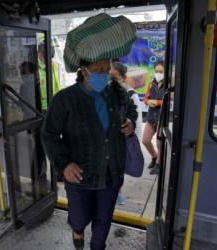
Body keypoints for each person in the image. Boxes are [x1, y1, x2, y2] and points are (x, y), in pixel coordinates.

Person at [42, 13, 137, 250]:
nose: (105, 73)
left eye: (107, 67)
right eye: (98, 68)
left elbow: (132, 108)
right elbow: (49, 135)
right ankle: (77, 233)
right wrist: (64, 164)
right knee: (79, 218)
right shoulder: (64, 100)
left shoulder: (117, 93)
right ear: (84, 70)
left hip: (111, 174)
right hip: (81, 177)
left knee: (103, 221)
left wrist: (130, 122)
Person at [110, 61, 143, 205]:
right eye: (108, 77)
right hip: (112, 139)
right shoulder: (106, 92)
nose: (111, 81)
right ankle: (116, 192)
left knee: (120, 168)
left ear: (123, 78)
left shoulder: (130, 95)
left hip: (125, 138)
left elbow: (137, 122)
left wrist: (134, 141)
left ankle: (119, 193)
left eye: (115, 77)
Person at [142, 61, 165, 175]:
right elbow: (145, 99)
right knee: (145, 140)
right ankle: (154, 156)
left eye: (161, 71)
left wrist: (156, 102)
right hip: (151, 116)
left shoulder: (169, 85)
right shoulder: (151, 84)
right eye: (156, 71)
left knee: (159, 143)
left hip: (162, 117)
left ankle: (158, 164)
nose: (158, 73)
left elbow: (169, 101)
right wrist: (147, 101)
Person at [37, 42, 61, 111]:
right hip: (41, 108)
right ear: (39, 54)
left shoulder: (55, 66)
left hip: (54, 105)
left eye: (51, 57)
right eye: (44, 56)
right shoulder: (36, 68)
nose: (49, 60)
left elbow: (57, 85)